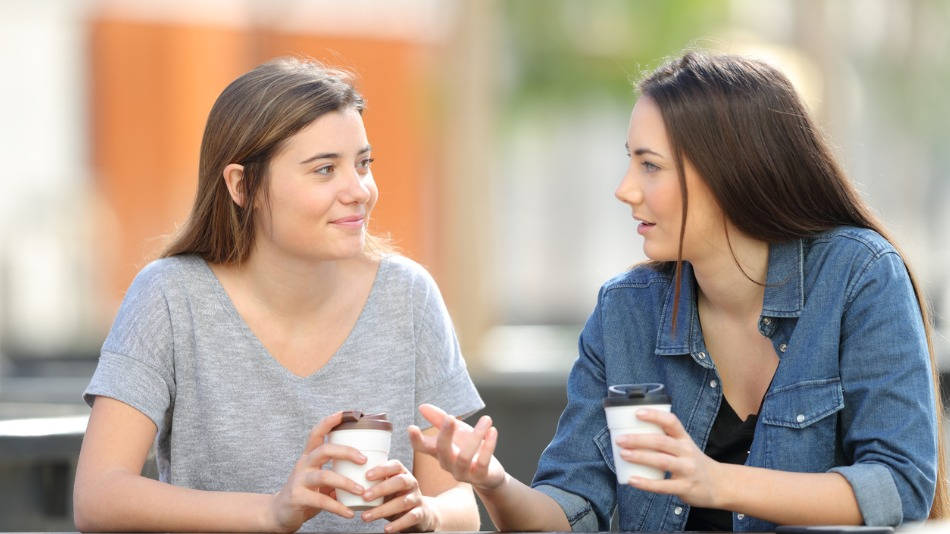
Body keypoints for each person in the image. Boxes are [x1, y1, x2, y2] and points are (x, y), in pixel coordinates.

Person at [410, 51, 947, 531]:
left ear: (730, 172)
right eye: (630, 161)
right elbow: (571, 509)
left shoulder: (859, 275)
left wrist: (714, 481)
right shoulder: (626, 310)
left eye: (650, 166)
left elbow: (899, 483)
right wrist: (494, 482)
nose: (624, 189)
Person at [73, 57, 484, 533]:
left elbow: (461, 504)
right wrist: (271, 512)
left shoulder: (409, 296)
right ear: (241, 185)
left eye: (363, 164)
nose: (360, 190)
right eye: (325, 169)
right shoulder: (169, 296)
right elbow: (99, 495)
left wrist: (428, 513)